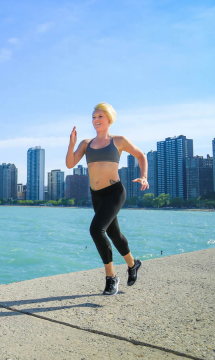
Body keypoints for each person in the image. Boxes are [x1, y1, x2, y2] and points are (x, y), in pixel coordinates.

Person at [66, 103, 148, 295]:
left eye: (100, 117)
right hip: (96, 195)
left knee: (96, 229)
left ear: (109, 119)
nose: (96, 120)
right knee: (114, 234)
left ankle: (111, 277)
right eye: (93, 117)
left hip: (114, 192)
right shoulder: (86, 143)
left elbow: (140, 155)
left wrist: (144, 176)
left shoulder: (118, 140)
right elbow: (70, 164)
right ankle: (133, 264)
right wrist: (71, 144)